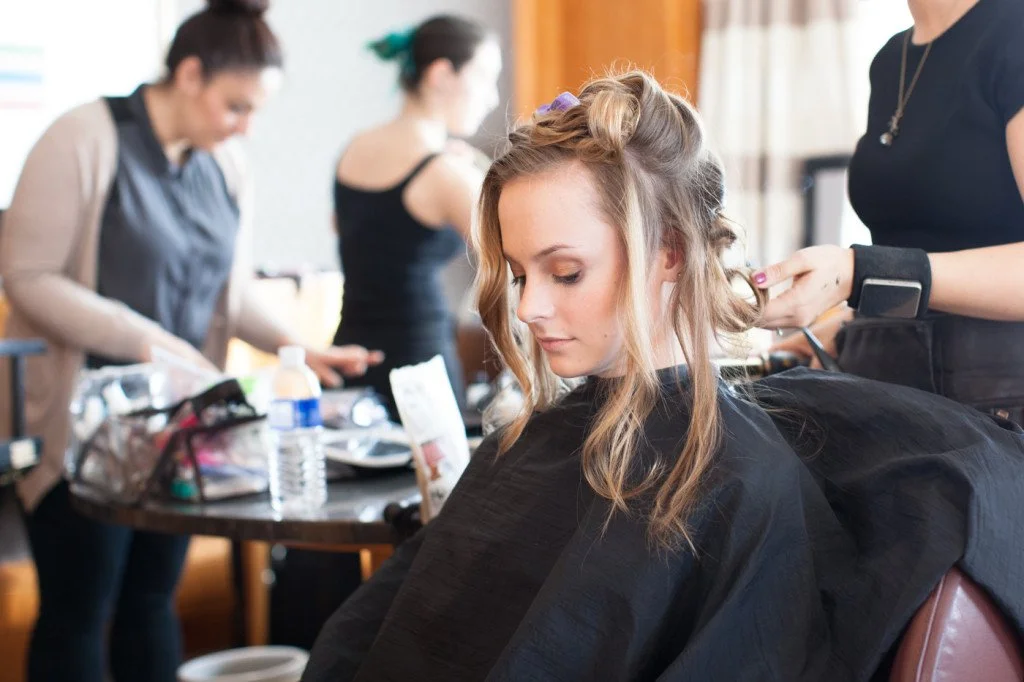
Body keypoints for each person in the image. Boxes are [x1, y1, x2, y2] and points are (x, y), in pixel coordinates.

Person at [301, 71, 1024, 681]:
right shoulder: (529, 446)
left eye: (566, 271)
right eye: (520, 274)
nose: (529, 307)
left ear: (670, 252)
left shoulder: (740, 483)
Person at [0, 2, 381, 680]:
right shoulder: (82, 138)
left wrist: (299, 345)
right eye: (236, 106)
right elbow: (26, 276)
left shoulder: (227, 166)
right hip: (81, 430)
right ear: (190, 74)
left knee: (153, 600)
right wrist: (145, 339)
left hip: (176, 431)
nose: (245, 127)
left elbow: (227, 294)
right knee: (79, 610)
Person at [758, 0, 1024, 423]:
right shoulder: (890, 59)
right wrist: (855, 325)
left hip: (994, 409)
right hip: (891, 383)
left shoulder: (1014, 31)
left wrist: (860, 272)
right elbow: (923, 249)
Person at [331, 14, 502, 417]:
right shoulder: (445, 172)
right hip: (419, 366)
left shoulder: (355, 148)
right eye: (485, 77)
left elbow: (343, 228)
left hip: (350, 356)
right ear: (442, 74)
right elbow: (518, 246)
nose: (492, 97)